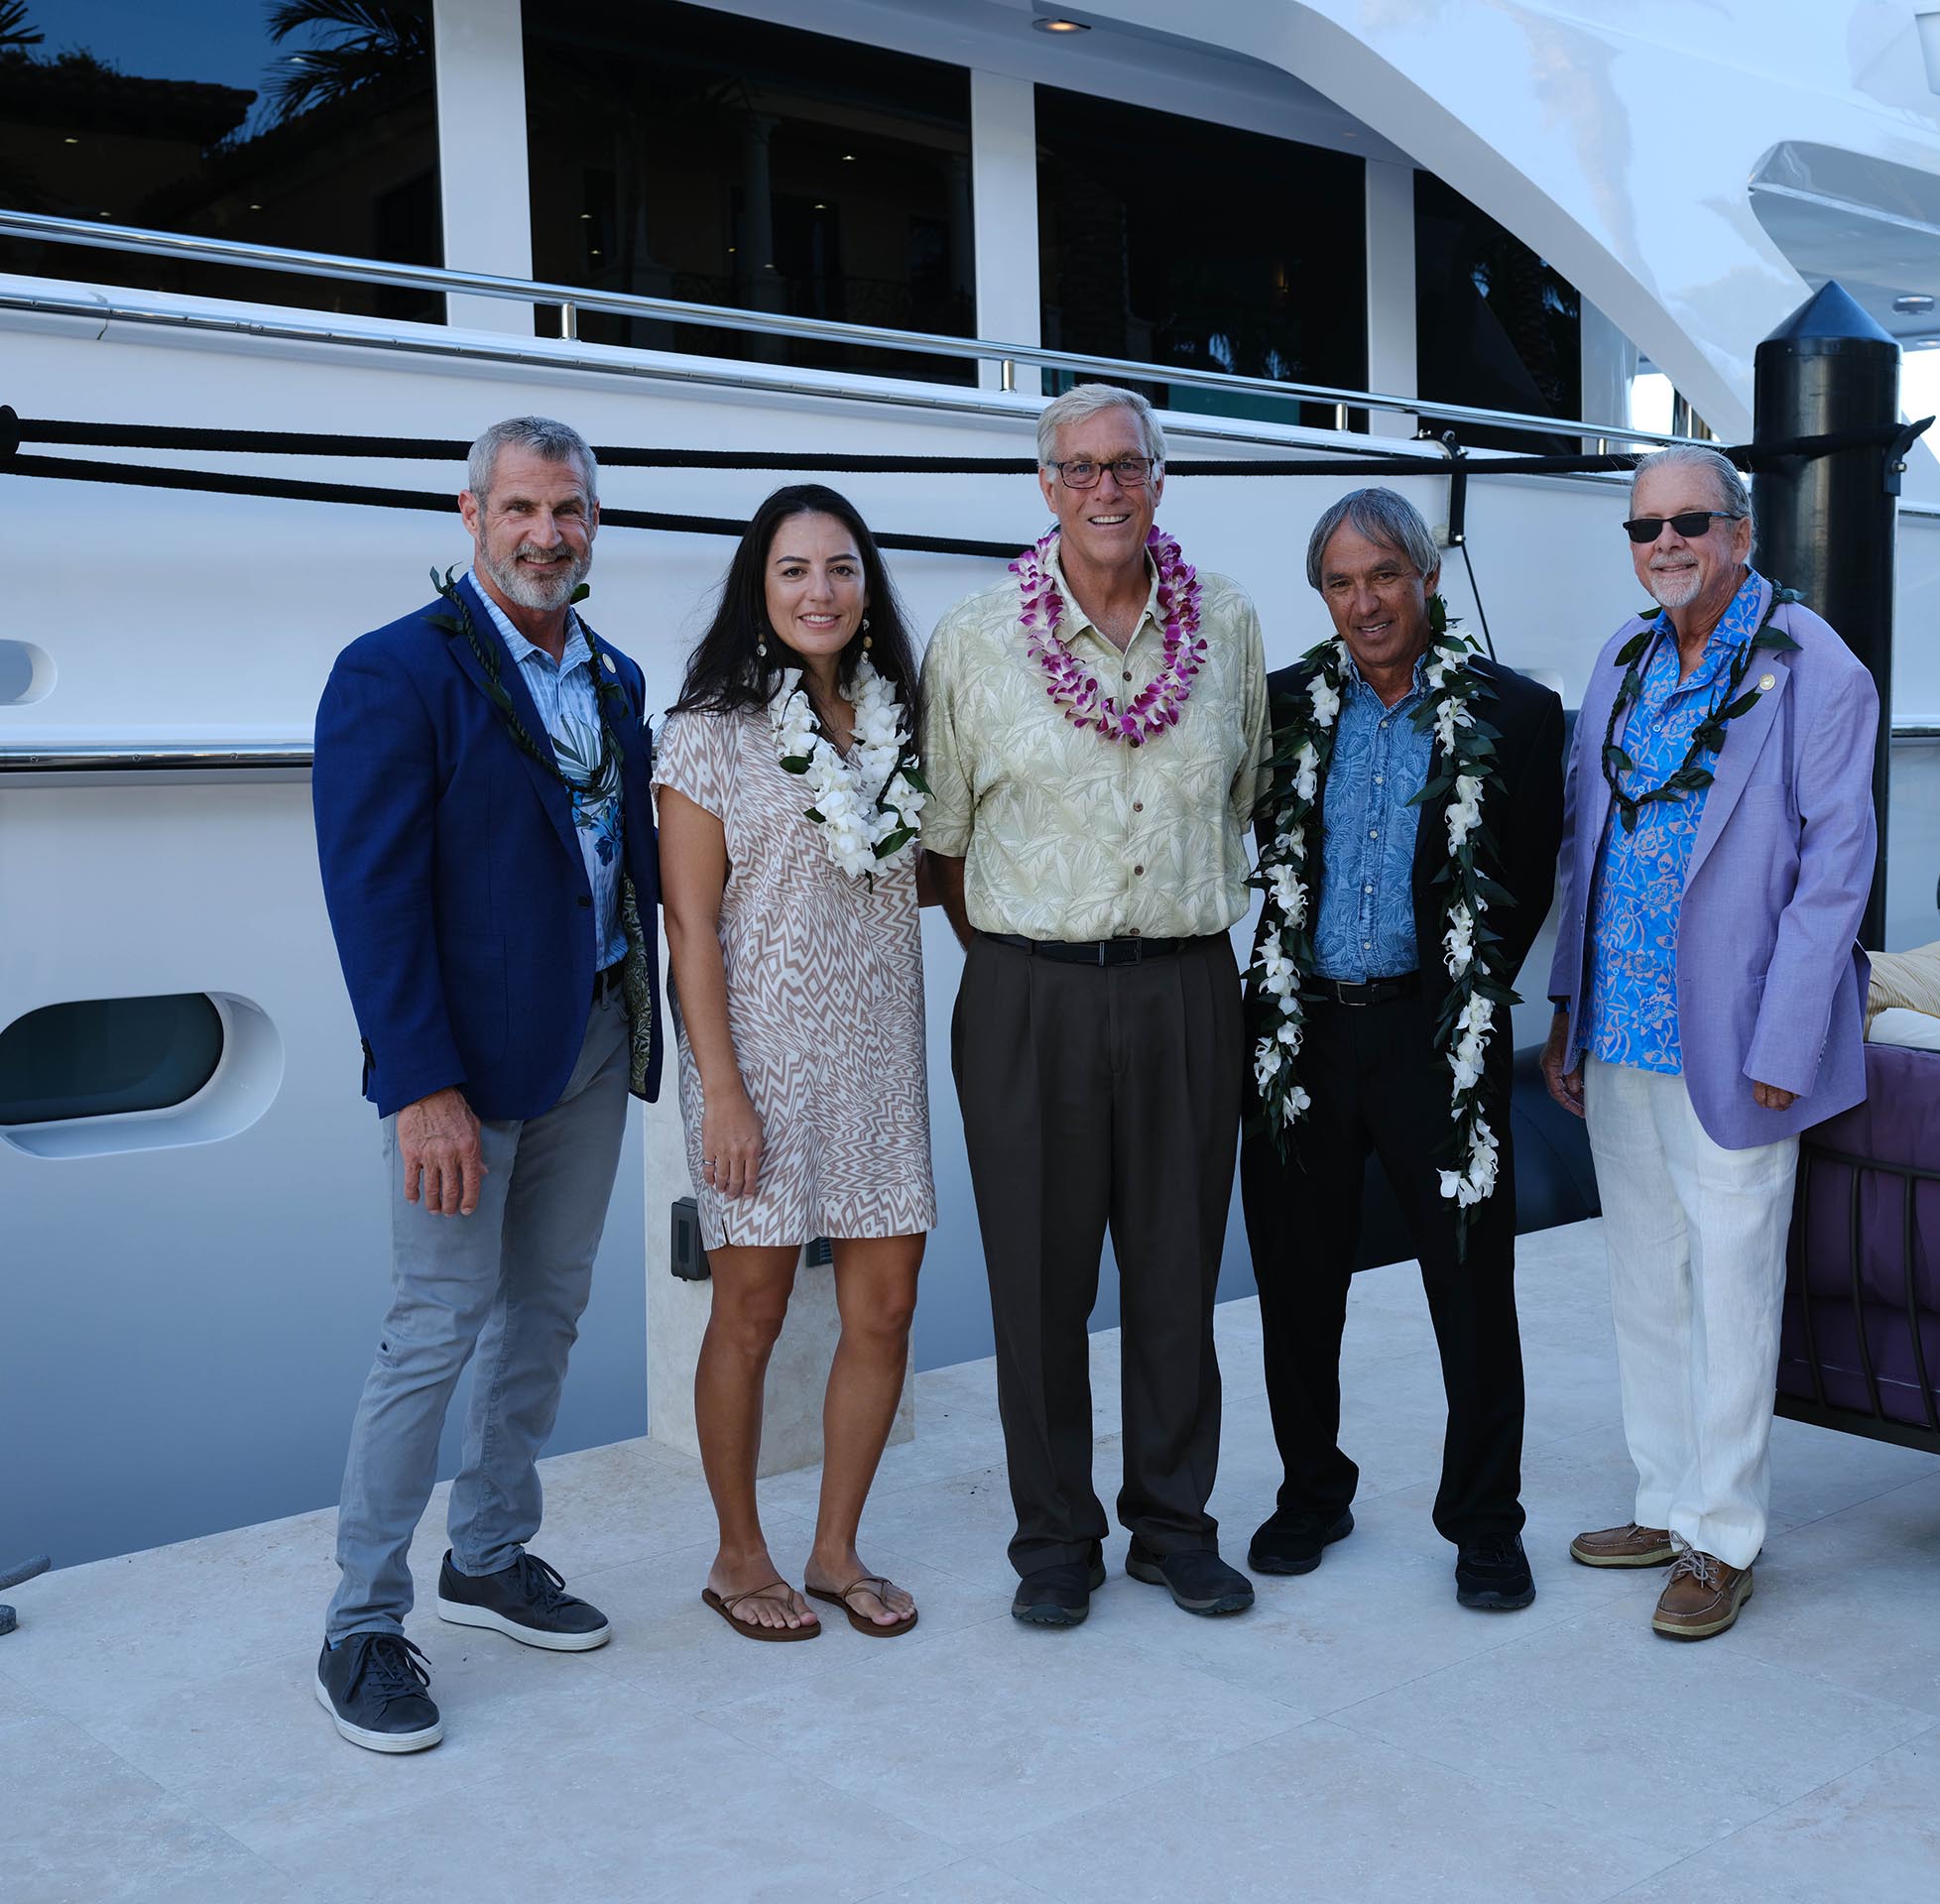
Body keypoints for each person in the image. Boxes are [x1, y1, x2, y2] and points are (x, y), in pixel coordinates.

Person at [310, 416, 662, 1751]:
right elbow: (373, 900)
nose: (546, 533)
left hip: (587, 1043)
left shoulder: (615, 675)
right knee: (432, 1328)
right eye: (520, 508)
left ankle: (492, 1552)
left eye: (568, 509)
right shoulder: (393, 673)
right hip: (458, 1073)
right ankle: (359, 1623)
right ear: (472, 518)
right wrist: (420, 1087)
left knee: (548, 1311)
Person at [919, 383, 1271, 1628]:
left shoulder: (1226, 623)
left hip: (1185, 986)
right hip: (1028, 994)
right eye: (1079, 469)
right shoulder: (971, 638)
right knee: (1037, 1281)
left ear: (1160, 481)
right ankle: (1053, 1539)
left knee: (1178, 1273)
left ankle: (1175, 1526)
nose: (1105, 488)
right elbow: (946, 843)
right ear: (1044, 487)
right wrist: (1034, 965)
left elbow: (1246, 794)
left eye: (1127, 465)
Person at [1540, 444, 1879, 1641]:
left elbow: (1836, 876)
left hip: (1738, 1037)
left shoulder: (1814, 667)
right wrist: (1567, 1010)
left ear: (1739, 530)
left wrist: (1789, 1032)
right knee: (1643, 1276)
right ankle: (1662, 1496)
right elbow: (1587, 845)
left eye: (1689, 521)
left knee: (1733, 1284)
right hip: (1621, 1020)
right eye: (1643, 529)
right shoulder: (1624, 659)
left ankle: (1722, 1536)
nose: (1664, 545)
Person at [1238, 488, 1565, 1610]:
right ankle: (1311, 1490)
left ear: (1426, 576)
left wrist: (1456, 994)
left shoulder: (1515, 714)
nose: (1365, 601)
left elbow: (1523, 881)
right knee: (1295, 1277)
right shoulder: (1281, 706)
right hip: (1302, 1032)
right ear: (1320, 594)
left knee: (1471, 1285)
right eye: (1341, 581)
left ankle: (1484, 1521)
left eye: (1385, 575)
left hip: (1435, 1038)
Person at [655, 486, 935, 1643]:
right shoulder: (705, 732)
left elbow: (933, 875)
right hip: (757, 1060)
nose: (818, 591)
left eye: (839, 569)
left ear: (866, 589)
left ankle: (834, 1549)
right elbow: (690, 929)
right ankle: (737, 1555)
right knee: (754, 1310)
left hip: (879, 1053)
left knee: (886, 1307)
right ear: (757, 590)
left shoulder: (895, 722)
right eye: (793, 571)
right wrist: (719, 1087)